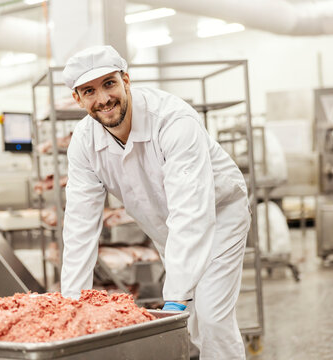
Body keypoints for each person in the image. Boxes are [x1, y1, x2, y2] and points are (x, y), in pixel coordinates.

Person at [60, 45, 251, 359]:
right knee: (193, 322)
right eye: (89, 91)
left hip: (219, 216)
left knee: (213, 315)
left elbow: (193, 211)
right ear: (77, 99)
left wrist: (175, 298)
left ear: (126, 80)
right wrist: (72, 303)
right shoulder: (83, 143)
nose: (103, 98)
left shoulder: (173, 119)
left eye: (109, 84)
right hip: (166, 228)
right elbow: (80, 226)